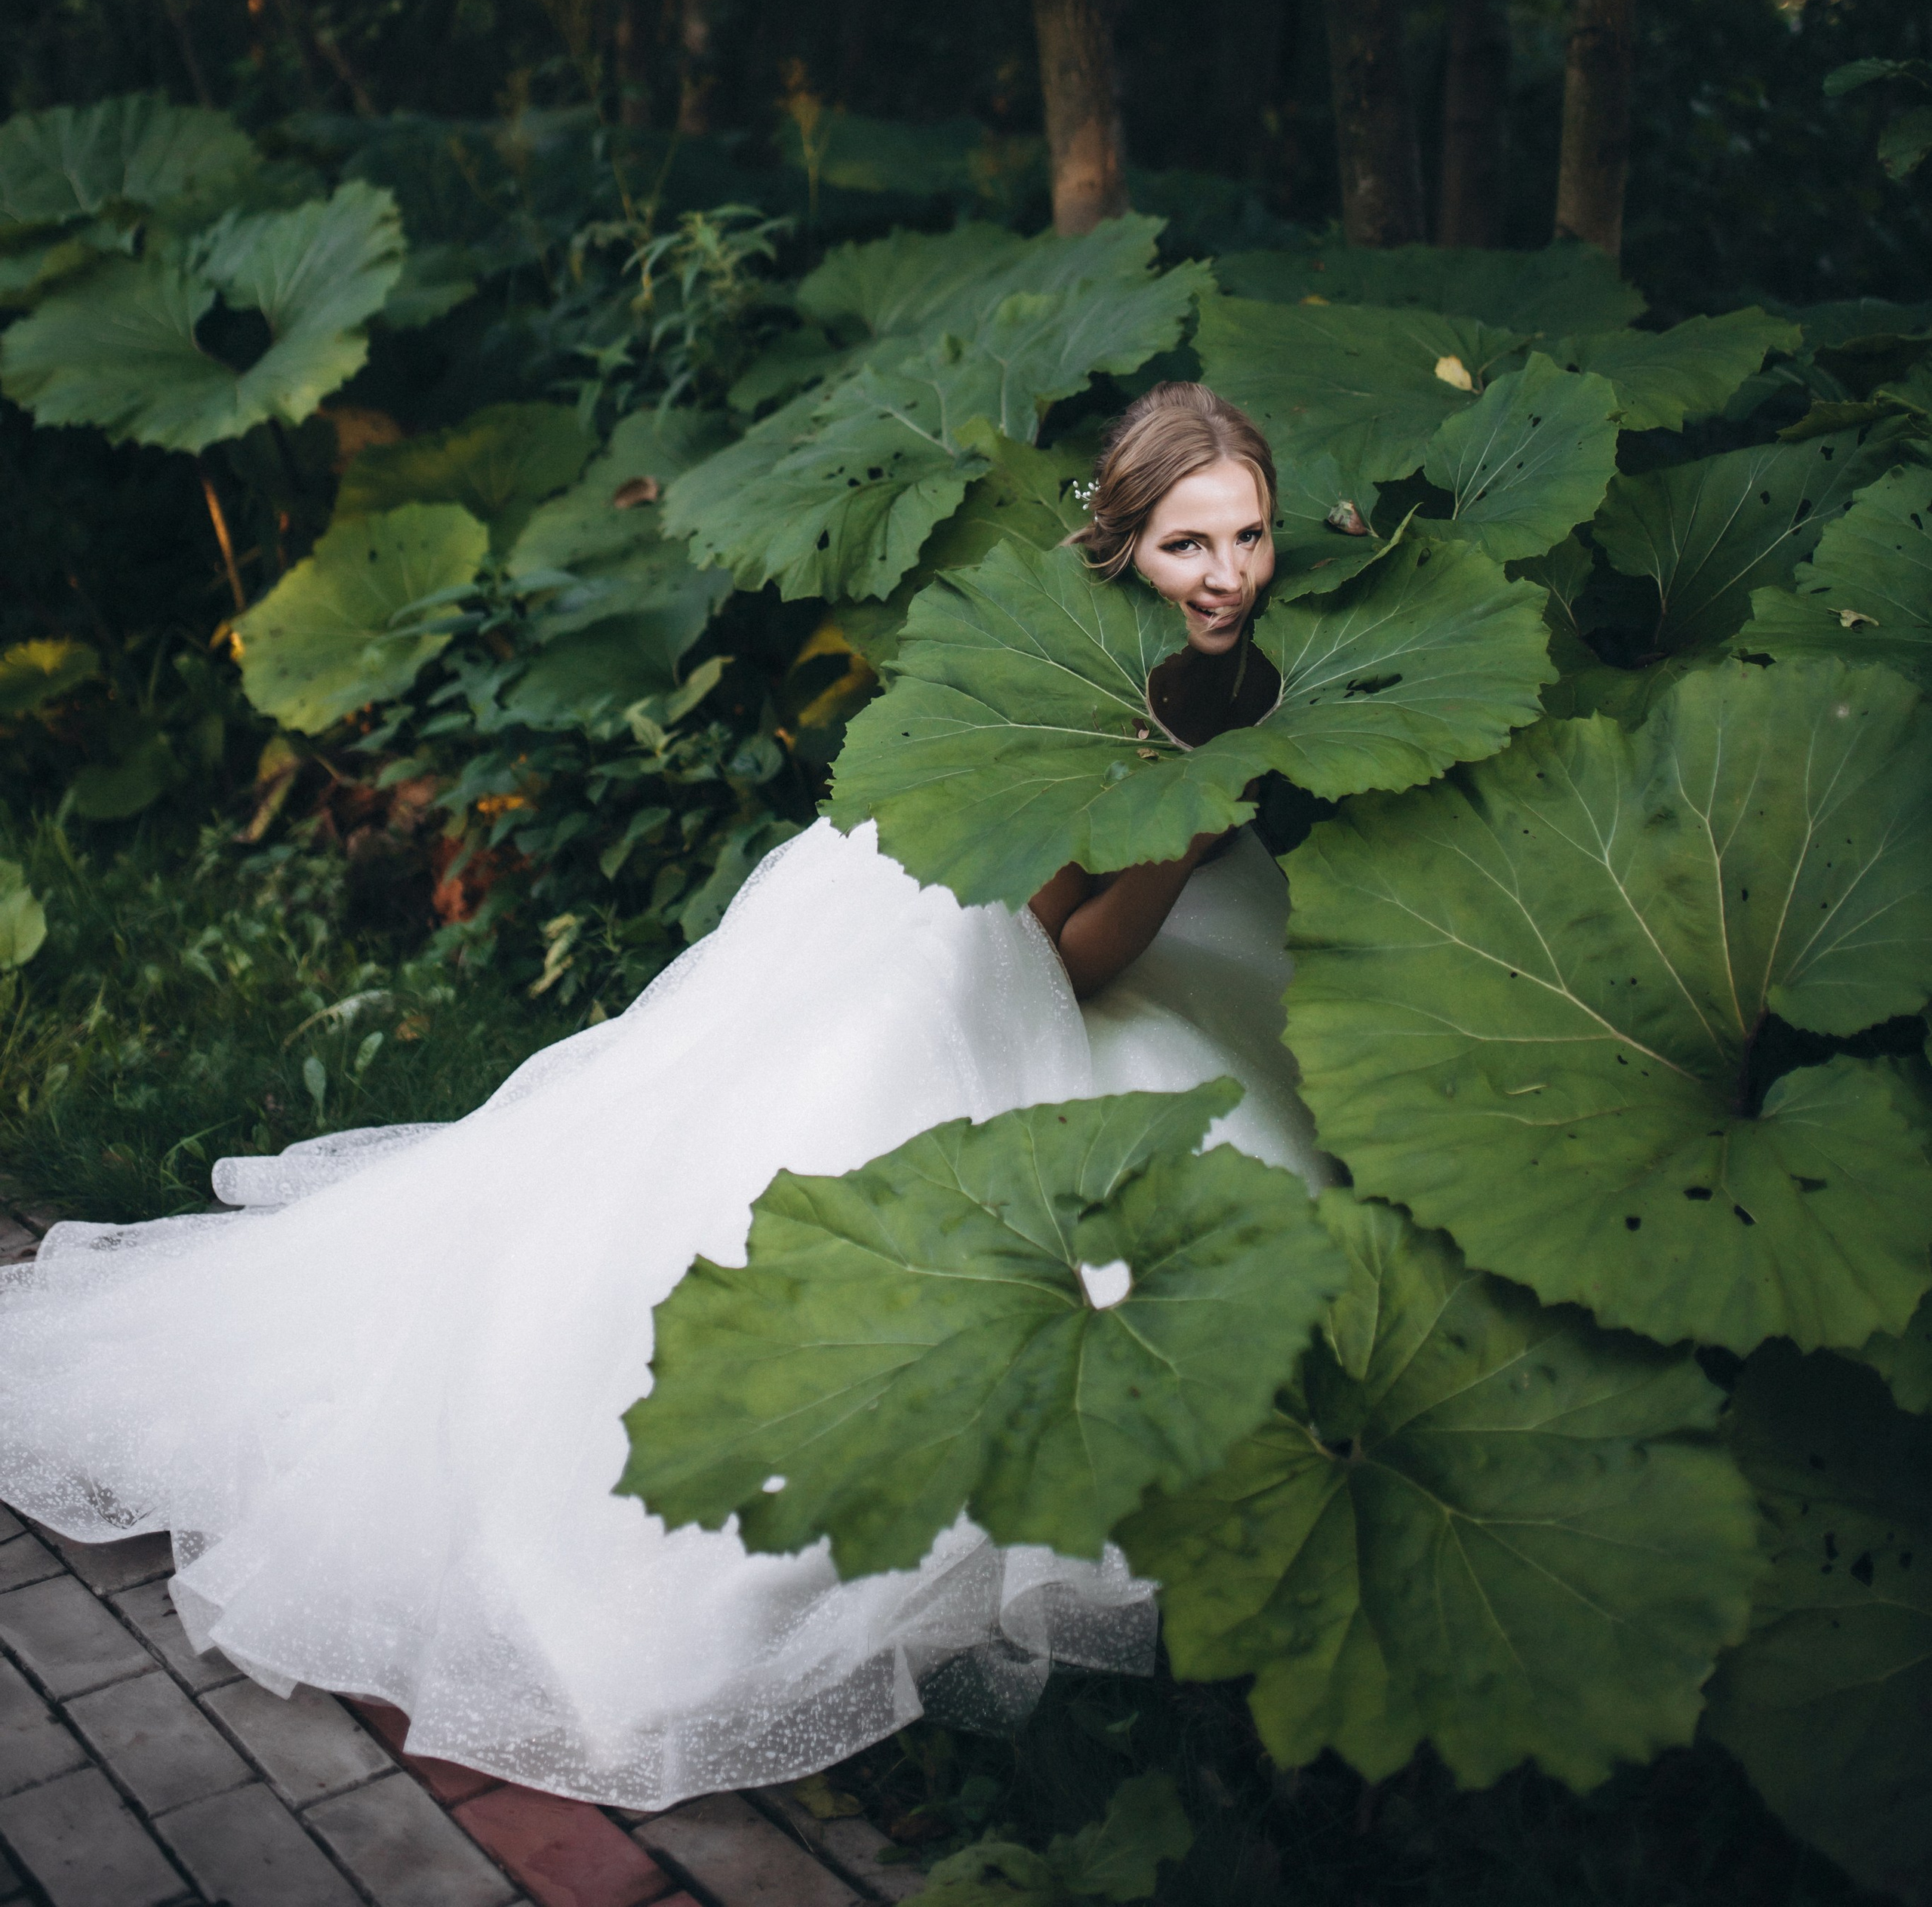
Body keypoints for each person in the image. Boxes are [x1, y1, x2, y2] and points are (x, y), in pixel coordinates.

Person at [0, 383, 1327, 1808]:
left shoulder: (1226, 651)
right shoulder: (1091, 695)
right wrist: (1183, 844)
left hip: (1005, 916)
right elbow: (1067, 960)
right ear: (1124, 548)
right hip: (973, 957)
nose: (1232, 575)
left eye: (1250, 537)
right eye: (1191, 547)